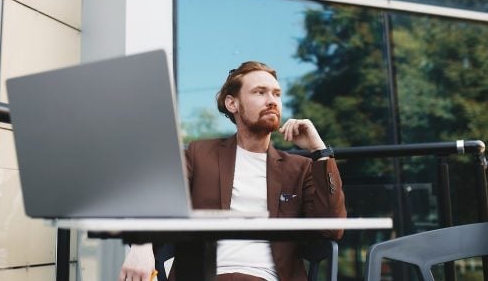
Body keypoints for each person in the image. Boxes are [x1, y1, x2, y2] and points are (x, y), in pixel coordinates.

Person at [119, 61, 347, 281]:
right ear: (232, 104)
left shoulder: (299, 168)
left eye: (276, 94)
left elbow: (331, 229)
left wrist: (320, 152)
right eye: (260, 92)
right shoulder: (200, 155)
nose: (272, 101)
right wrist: (141, 245)